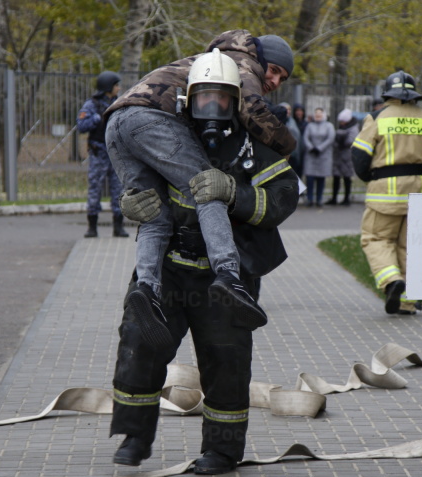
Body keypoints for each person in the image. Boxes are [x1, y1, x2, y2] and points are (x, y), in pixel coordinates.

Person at [109, 51, 300, 475]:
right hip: (170, 269)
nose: (211, 110)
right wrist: (132, 206)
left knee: (227, 363)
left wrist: (235, 192)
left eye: (221, 100)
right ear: (186, 100)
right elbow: (137, 182)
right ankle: (134, 435)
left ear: (238, 100)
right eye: (202, 100)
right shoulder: (169, 137)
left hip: (226, 283)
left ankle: (222, 451)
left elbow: (284, 198)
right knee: (139, 346)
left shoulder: (256, 148)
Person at [104, 31, 296, 348]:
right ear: (260, 58)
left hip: (115, 121)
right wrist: (289, 146)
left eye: (282, 78)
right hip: (148, 118)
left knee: (153, 212)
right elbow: (252, 108)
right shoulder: (240, 62)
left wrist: (131, 200)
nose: (275, 80)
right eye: (274, 70)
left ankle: (147, 289)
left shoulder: (217, 58)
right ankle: (229, 278)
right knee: (207, 187)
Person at [352, 70, 422, 315]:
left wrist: (370, 179)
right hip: (419, 196)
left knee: (376, 239)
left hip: (384, 194)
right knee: (409, 247)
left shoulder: (377, 118)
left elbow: (359, 157)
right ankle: (406, 303)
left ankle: (392, 281)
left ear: (387, 94)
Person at [77, 71, 128, 238]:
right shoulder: (91, 105)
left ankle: (118, 226)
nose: (119, 88)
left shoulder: (119, 102)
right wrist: (98, 118)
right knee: (95, 189)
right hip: (98, 152)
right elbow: (81, 125)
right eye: (116, 85)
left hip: (115, 153)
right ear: (108, 87)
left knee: (118, 190)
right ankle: (92, 226)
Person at [303, 107, 335, 207]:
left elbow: (330, 138)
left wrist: (320, 148)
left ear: (324, 115)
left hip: (323, 155)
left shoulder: (329, 126)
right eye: (316, 114)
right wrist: (311, 148)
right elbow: (305, 138)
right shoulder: (310, 125)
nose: (318, 115)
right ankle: (310, 199)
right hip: (311, 155)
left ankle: (319, 199)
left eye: (320, 114)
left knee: (321, 178)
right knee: (310, 178)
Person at [326, 108, 359, 205]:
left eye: (343, 121)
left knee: (347, 177)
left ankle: (346, 199)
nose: (341, 123)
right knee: (336, 177)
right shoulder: (341, 127)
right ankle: (334, 198)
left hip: (347, 156)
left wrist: (342, 139)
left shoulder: (353, 128)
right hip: (338, 156)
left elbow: (351, 141)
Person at [280, 102, 304, 178]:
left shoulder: (292, 122)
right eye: (285, 109)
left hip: (293, 156)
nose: (288, 111)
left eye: (289, 109)